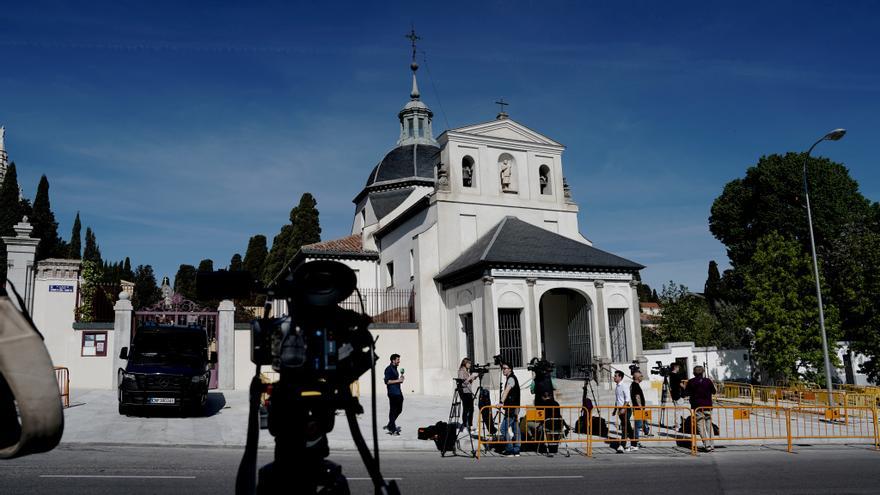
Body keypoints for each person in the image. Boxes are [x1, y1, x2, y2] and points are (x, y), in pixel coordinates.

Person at [683, 365, 717, 452]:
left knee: (700, 426)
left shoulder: (691, 381)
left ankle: (707, 445)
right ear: (703, 372)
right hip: (708, 406)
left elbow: (686, 393)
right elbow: (714, 391)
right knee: (709, 425)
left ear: (694, 373)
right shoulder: (708, 381)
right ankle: (712, 444)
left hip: (697, 406)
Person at [497, 362, 521, 456]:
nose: (504, 370)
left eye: (505, 368)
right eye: (503, 368)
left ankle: (510, 449)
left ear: (510, 369)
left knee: (503, 428)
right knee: (516, 428)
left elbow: (506, 391)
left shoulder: (511, 378)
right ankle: (516, 450)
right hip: (514, 407)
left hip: (511, 408)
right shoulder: (511, 378)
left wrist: (501, 402)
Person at [613, 370, 635, 453]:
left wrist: (623, 408)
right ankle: (634, 443)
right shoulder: (617, 386)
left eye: (615, 376)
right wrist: (615, 409)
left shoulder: (624, 386)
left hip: (626, 409)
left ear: (620, 377)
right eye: (614, 376)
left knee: (624, 427)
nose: (614, 377)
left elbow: (627, 399)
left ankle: (622, 445)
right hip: (620, 409)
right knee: (628, 427)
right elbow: (618, 399)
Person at [383, 354, 405, 435]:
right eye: (398, 359)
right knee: (393, 411)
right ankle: (393, 429)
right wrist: (398, 380)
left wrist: (401, 379)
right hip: (392, 393)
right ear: (393, 360)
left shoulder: (395, 368)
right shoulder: (388, 369)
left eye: (399, 359)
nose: (399, 361)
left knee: (399, 410)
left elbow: (396, 380)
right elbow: (387, 381)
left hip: (398, 393)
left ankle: (390, 424)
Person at [457, 358, 478, 431]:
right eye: (468, 363)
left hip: (468, 391)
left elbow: (469, 381)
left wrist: (474, 377)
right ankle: (465, 425)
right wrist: (470, 377)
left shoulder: (467, 371)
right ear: (465, 363)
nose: (470, 365)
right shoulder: (461, 371)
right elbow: (462, 382)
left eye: (470, 363)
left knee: (471, 409)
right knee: (466, 408)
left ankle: (470, 424)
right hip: (464, 392)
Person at [630, 370, 649, 447]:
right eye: (641, 376)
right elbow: (637, 397)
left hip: (640, 408)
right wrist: (641, 408)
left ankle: (646, 430)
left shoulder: (634, 385)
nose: (642, 377)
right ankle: (636, 442)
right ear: (638, 377)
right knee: (638, 426)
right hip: (639, 409)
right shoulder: (635, 385)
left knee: (643, 422)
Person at [669, 362, 686, 430]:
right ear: (675, 367)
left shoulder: (670, 375)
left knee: (677, 411)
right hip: (678, 395)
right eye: (678, 367)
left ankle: (677, 424)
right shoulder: (676, 376)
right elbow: (681, 385)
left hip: (674, 395)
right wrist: (687, 388)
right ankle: (677, 425)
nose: (679, 369)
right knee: (678, 411)